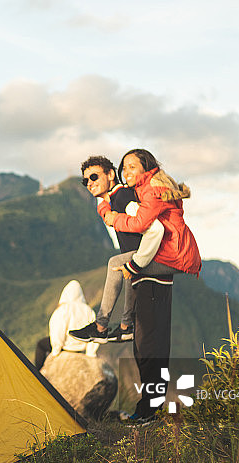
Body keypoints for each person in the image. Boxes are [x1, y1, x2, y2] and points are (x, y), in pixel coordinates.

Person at [84, 149, 201, 423]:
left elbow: (151, 228)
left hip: (164, 262)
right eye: (125, 167)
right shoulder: (142, 189)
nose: (127, 172)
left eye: (132, 166)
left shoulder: (148, 191)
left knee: (150, 346)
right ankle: (149, 405)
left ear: (146, 167)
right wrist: (105, 208)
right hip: (159, 264)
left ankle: (149, 409)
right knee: (147, 345)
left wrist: (135, 263)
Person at [70, 156, 165, 343]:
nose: (89, 183)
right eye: (85, 180)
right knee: (124, 263)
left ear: (111, 174)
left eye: (94, 177)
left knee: (115, 263)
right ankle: (125, 326)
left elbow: (149, 224)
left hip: (152, 255)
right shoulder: (114, 199)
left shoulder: (121, 196)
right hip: (140, 259)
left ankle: (100, 326)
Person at [34, 280, 99, 370]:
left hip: (65, 347)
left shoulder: (63, 309)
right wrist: (90, 353)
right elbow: (94, 333)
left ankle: (36, 373)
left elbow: (58, 331)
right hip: (81, 348)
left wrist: (56, 351)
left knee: (41, 345)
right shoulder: (89, 311)